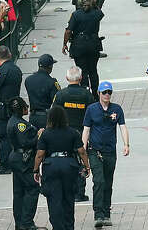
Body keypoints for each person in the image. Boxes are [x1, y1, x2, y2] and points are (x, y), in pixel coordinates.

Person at [34, 106, 90, 230]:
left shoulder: (46, 134)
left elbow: (40, 154)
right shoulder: (72, 132)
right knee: (68, 198)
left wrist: (36, 170)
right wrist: (87, 166)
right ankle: (69, 226)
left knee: (54, 199)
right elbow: (81, 151)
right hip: (69, 165)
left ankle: (57, 226)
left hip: (51, 166)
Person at [83, 81, 129, 228]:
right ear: (99, 94)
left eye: (109, 92)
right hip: (95, 151)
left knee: (108, 182)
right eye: (104, 92)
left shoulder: (117, 109)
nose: (107, 95)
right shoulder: (91, 109)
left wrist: (126, 144)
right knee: (99, 181)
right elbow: (86, 130)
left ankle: (106, 212)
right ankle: (98, 214)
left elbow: (122, 127)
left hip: (110, 151)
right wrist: (82, 150)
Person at [52, 66, 94, 202]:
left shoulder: (60, 95)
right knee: (81, 160)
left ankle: (67, 190)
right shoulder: (87, 95)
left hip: (64, 133)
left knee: (66, 160)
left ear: (67, 78)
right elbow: (93, 113)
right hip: (82, 133)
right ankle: (79, 193)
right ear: (81, 78)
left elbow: (54, 114)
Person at [6, 97, 41, 230]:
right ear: (21, 109)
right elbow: (25, 142)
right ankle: (27, 222)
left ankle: (20, 223)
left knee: (19, 191)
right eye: (25, 106)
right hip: (23, 160)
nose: (27, 108)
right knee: (32, 188)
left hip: (18, 158)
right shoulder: (20, 124)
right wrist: (38, 136)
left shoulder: (13, 121)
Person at [0, 44, 23, 175]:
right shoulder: (16, 69)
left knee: (3, 137)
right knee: (14, 136)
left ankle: (4, 164)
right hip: (15, 106)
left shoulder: (0, 71)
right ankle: (14, 162)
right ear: (9, 54)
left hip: (3, 108)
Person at [64, 0, 104, 91]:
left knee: (82, 71)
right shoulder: (96, 13)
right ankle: (95, 93)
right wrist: (95, 5)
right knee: (93, 71)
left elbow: (68, 31)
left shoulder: (76, 15)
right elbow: (101, 13)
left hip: (79, 46)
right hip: (94, 44)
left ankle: (84, 90)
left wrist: (64, 43)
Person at [24, 54, 60, 131]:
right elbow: (57, 100)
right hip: (46, 117)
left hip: (33, 117)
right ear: (50, 67)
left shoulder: (28, 80)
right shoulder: (51, 82)